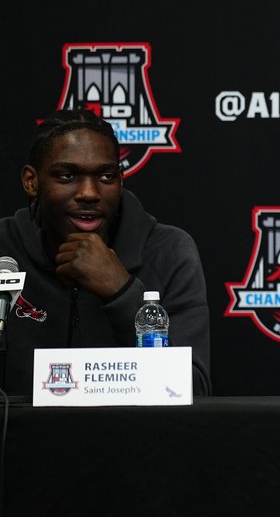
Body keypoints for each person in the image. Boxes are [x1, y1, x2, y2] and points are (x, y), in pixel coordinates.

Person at [0, 109, 211, 396]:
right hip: (19, 440)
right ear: (31, 181)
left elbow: (194, 390)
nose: (89, 192)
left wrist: (121, 293)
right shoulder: (5, 245)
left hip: (135, 440)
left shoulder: (168, 251)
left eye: (106, 176)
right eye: (67, 175)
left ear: (121, 180)